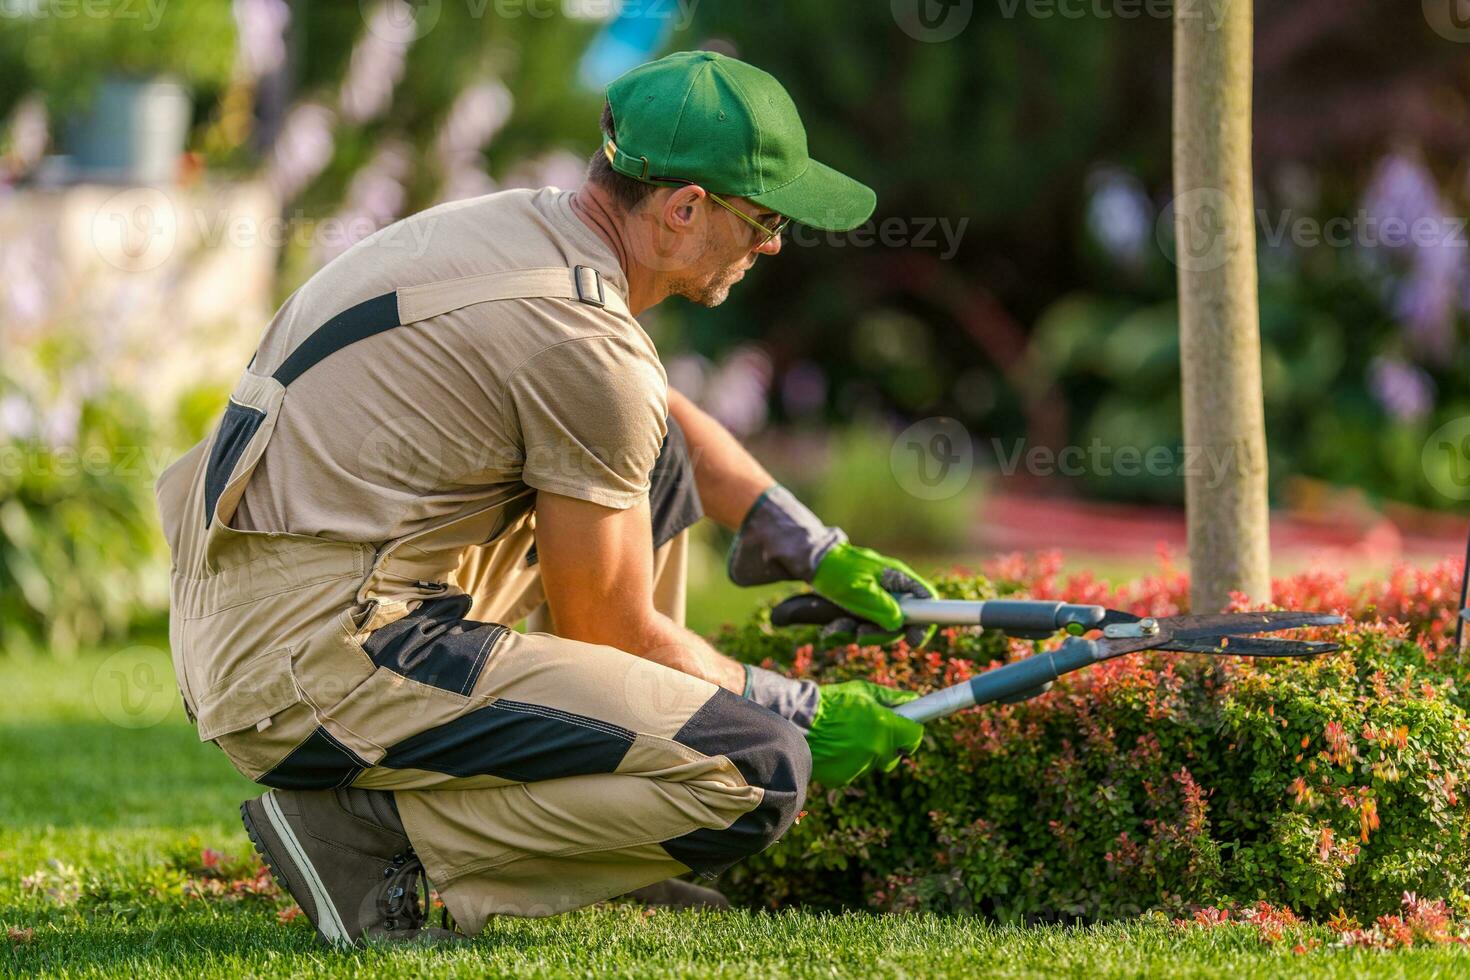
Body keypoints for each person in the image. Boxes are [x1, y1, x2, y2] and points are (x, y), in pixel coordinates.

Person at [156, 50, 931, 946]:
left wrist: (807, 540)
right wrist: (791, 704)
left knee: (654, 466)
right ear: (685, 210)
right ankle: (365, 843)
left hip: (265, 610)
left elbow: (663, 425)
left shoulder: (526, 233)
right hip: (311, 663)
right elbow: (614, 631)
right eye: (762, 219)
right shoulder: (585, 345)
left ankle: (616, 835)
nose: (773, 244)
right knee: (756, 771)